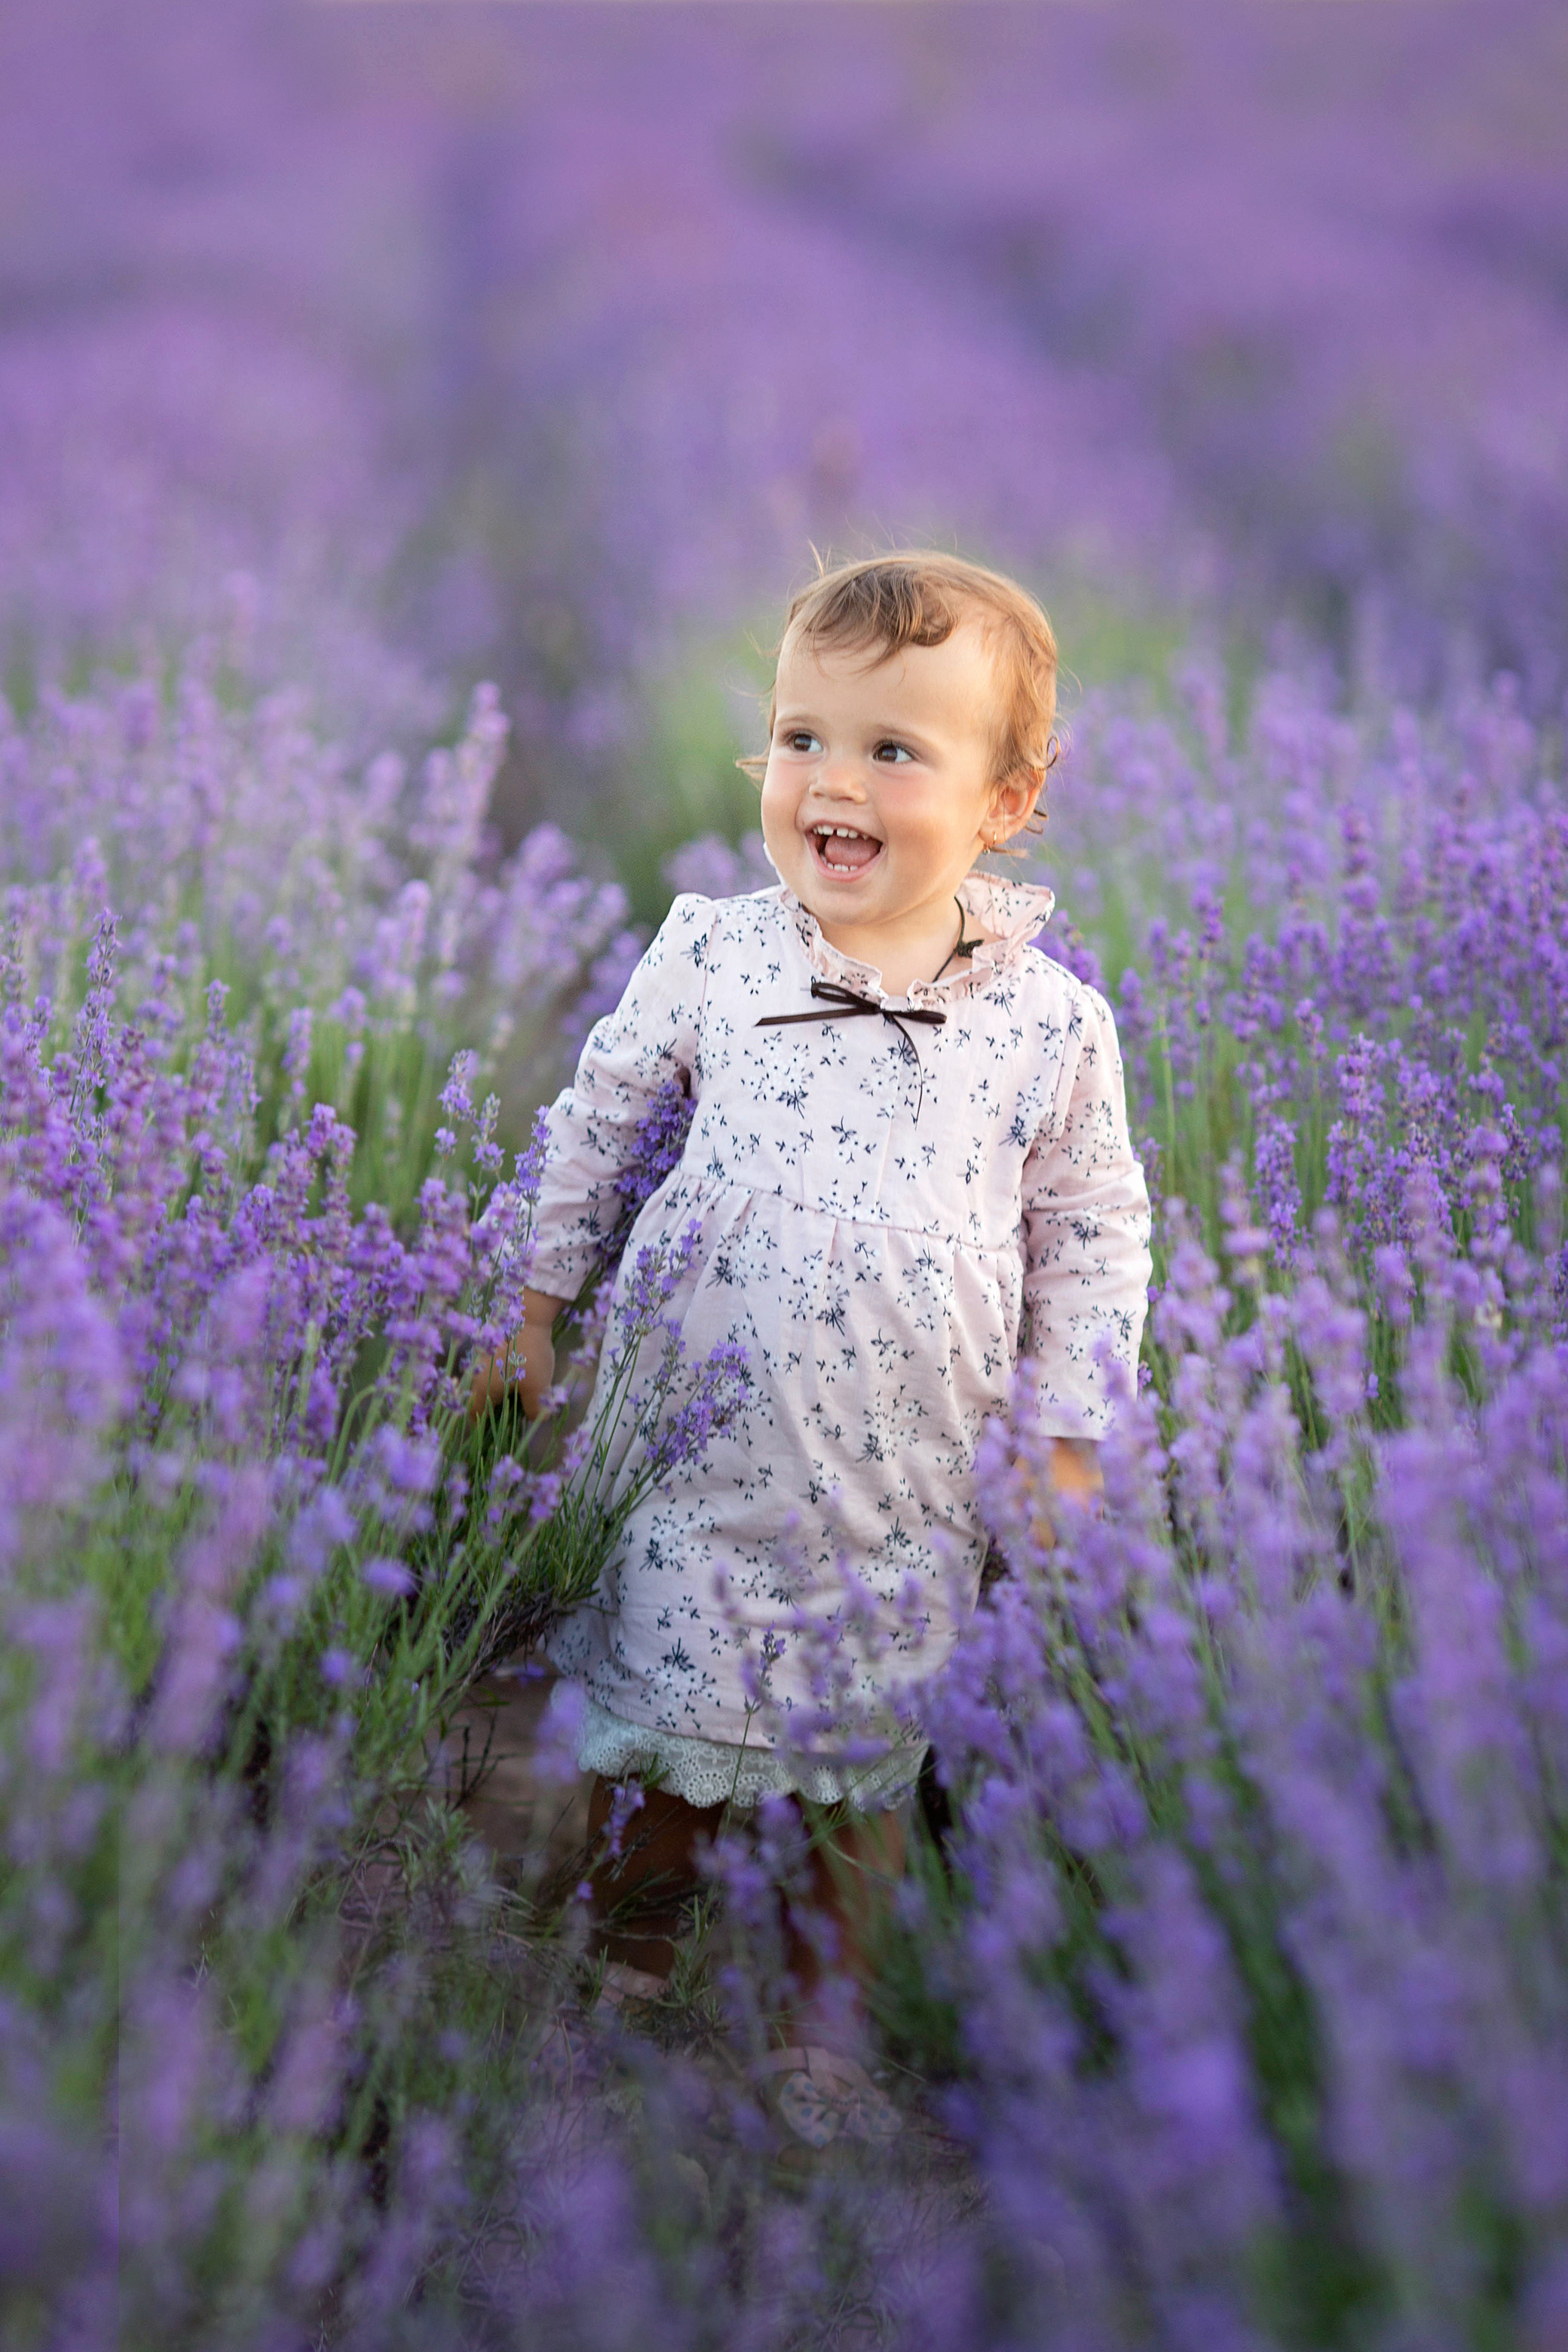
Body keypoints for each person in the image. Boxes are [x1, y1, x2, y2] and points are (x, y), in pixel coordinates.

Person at [473, 550, 1151, 2149]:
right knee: (658, 1730)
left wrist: (1064, 1439)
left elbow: (1093, 1238)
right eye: (800, 740)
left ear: (1006, 800)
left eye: (893, 751)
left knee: (858, 1778)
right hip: (687, 1449)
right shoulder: (712, 950)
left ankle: (819, 2015)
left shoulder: (1050, 1026)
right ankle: (633, 1937)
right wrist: (532, 1307)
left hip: (906, 1477)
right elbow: (597, 1127)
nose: (830, 784)